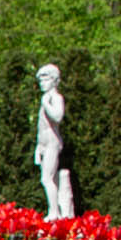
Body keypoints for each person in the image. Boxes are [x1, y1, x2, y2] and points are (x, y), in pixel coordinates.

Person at [34, 64, 75, 222]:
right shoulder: (47, 99)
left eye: (45, 80)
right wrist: (39, 147)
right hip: (45, 144)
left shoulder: (56, 98)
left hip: (52, 142)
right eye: (40, 81)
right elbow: (41, 127)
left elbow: (57, 117)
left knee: (46, 178)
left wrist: (46, 104)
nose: (42, 84)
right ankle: (56, 210)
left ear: (54, 81)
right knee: (51, 178)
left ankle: (54, 212)